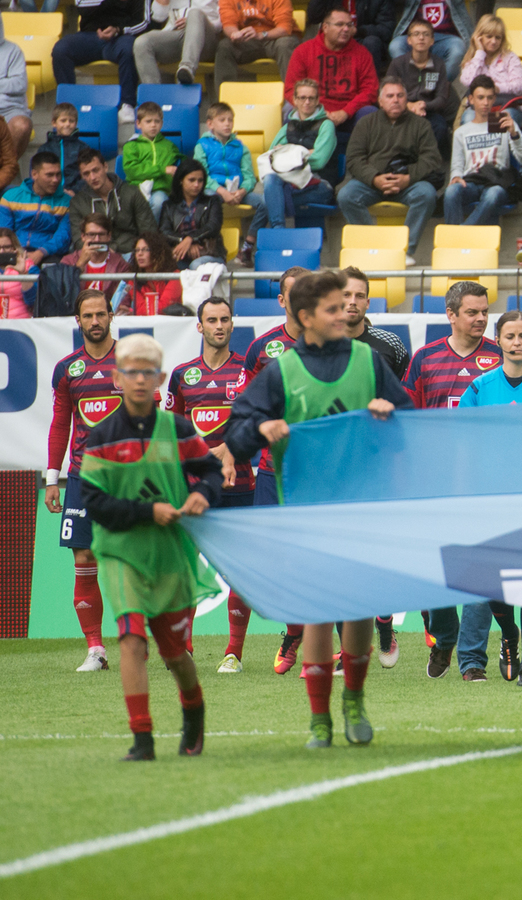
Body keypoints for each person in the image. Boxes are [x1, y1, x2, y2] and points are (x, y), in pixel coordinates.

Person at [226, 269, 412, 748]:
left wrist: (390, 416)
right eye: (332, 307)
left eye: (347, 303)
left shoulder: (370, 362)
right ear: (306, 316)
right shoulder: (282, 371)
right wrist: (261, 430)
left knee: (357, 610)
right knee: (316, 612)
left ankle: (354, 700)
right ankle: (319, 719)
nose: (344, 311)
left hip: (360, 507)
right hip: (305, 510)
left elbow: (410, 424)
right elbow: (237, 433)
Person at [80, 332, 221, 761]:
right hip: (121, 553)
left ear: (160, 379)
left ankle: (193, 710)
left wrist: (203, 494)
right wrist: (148, 511)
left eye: (148, 372)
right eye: (131, 372)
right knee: (131, 640)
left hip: (169, 554)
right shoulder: (101, 437)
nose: (139, 379)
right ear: (117, 379)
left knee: (175, 654)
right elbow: (94, 502)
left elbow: (211, 471)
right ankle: (142, 738)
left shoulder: (178, 429)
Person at [455, 310, 522, 685]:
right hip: (490, 500)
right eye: (509, 336)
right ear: (498, 340)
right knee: (490, 582)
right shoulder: (479, 388)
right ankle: (504, 638)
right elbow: (463, 441)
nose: (516, 342)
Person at [404, 282, 500, 674]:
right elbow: (407, 419)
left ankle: (472, 659)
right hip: (434, 482)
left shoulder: (500, 357)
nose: (481, 319)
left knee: (480, 572)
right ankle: (444, 637)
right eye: (472, 312)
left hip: (486, 482)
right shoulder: (424, 359)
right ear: (451, 314)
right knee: (435, 572)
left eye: (485, 311)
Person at [164, 298, 256, 674]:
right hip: (195, 486)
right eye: (212, 320)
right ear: (199, 326)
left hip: (241, 483)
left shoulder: (248, 372)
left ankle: (233, 653)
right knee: (186, 567)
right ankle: (184, 647)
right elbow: (170, 431)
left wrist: (231, 449)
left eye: (225, 319)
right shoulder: (182, 375)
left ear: (233, 324)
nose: (219, 325)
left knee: (239, 570)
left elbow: (257, 424)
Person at [237, 265, 311, 673]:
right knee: (278, 562)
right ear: (281, 300)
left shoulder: (334, 346)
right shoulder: (262, 349)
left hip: (319, 472)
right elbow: (247, 407)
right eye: (293, 293)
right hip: (272, 471)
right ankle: (295, 631)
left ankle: (319, 646)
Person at [43, 290, 121, 672]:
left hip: (127, 477)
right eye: (87, 316)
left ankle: (159, 642)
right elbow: (60, 424)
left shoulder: (131, 361)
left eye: (100, 314)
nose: (95, 321)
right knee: (84, 558)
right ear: (78, 321)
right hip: (81, 478)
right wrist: (52, 479)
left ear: (111, 315)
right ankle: (96, 649)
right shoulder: (67, 369)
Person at [339, 78, 444, 265]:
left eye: (400, 95)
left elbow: (431, 159)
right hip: (372, 184)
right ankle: (374, 248)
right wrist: (374, 178)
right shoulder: (365, 123)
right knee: (346, 195)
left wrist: (408, 178)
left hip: (408, 184)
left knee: (427, 194)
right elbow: (354, 158)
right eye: (390, 96)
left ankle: (404, 251)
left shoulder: (421, 125)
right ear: (380, 101)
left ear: (406, 99)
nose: (395, 100)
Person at [251, 80, 339, 236]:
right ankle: (279, 231)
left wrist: (287, 153)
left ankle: (260, 238)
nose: (307, 102)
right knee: (271, 180)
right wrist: (304, 153)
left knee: (268, 200)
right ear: (295, 100)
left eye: (311, 98)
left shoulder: (326, 125)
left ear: (317, 100)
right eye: (302, 97)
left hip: (319, 185)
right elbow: (273, 160)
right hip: (289, 184)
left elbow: (319, 161)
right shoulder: (288, 127)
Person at [285, 7, 379, 149]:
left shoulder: (362, 53)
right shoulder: (303, 51)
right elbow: (291, 89)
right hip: (313, 111)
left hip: (349, 114)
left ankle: (363, 159)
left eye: (349, 25)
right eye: (340, 24)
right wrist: (319, 112)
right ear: (325, 27)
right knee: (291, 113)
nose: (346, 29)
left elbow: (370, 90)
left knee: (370, 113)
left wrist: (345, 112)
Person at [446, 74, 522, 228]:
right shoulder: (462, 131)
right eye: (480, 98)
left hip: (497, 181)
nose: (485, 102)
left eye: (489, 97)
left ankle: (461, 233)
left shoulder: (503, 123)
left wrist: (514, 134)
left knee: (493, 194)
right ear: (471, 99)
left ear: (494, 99)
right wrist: (456, 177)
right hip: (472, 181)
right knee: (451, 192)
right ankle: (457, 235)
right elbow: (457, 166)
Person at [52, 0, 150, 124]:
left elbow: (143, 22)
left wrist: (119, 30)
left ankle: (127, 104)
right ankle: (67, 106)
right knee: (61, 50)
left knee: (129, 49)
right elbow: (82, 6)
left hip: (121, 35)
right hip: (89, 36)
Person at [193, 103, 265, 267]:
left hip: (237, 191)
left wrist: (242, 191)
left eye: (230, 120)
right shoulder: (202, 145)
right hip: (214, 190)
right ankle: (212, 247)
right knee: (208, 200)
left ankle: (247, 248)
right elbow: (201, 175)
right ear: (210, 124)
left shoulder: (240, 147)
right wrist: (222, 192)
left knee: (265, 202)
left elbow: (249, 176)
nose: (227, 124)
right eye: (222, 120)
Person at [388, 21, 459, 158]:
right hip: (401, 111)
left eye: (426, 34)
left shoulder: (439, 64)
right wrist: (408, 105)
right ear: (409, 40)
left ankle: (426, 160)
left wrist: (424, 105)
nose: (421, 38)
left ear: (432, 41)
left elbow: (442, 97)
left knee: (440, 126)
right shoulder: (398, 63)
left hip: (428, 112)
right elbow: (387, 93)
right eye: (416, 34)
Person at [70, 150, 157, 256]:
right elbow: (79, 241)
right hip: (96, 255)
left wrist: (114, 248)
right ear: (81, 176)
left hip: (130, 252)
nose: (92, 177)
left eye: (96, 170)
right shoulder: (77, 202)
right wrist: (103, 251)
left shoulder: (131, 193)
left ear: (105, 167)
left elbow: (149, 233)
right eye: (86, 174)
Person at [2, 152, 72, 266]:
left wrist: (41, 253)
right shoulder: (10, 197)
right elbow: (4, 232)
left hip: (49, 255)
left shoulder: (67, 202)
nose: (55, 180)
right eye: (49, 175)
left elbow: (63, 236)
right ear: (34, 174)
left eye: (58, 174)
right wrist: (19, 253)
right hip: (13, 252)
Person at [458, 14, 522, 128]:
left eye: (498, 37)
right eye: (489, 36)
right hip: (478, 108)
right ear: (479, 37)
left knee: (501, 121)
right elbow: (467, 81)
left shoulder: (510, 58)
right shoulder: (473, 58)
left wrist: (497, 88)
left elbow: (520, 86)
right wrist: (480, 53)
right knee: (468, 119)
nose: (493, 41)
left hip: (506, 106)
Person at [135, 0, 221, 87]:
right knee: (142, 43)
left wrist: (194, 22)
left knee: (195, 13)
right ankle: (152, 92)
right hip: (176, 33)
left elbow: (223, 20)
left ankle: (187, 69)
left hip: (206, 36)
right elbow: (158, 16)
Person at [343, 267, 410, 379]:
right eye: (346, 295)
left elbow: (407, 388)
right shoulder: (319, 344)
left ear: (367, 303)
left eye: (360, 296)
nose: (353, 302)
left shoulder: (392, 343)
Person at [157, 159, 225, 270]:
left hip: (209, 253)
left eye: (200, 180)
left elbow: (213, 226)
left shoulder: (213, 201)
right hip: (181, 255)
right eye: (191, 180)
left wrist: (190, 239)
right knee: (164, 265)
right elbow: (164, 232)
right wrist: (184, 242)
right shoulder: (169, 206)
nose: (196, 185)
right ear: (181, 180)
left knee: (196, 265)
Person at [215, 0, 298, 85]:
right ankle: (225, 92)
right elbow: (228, 25)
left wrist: (261, 35)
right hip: (248, 40)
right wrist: (235, 34)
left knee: (285, 44)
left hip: (276, 38)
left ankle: (293, 91)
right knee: (225, 46)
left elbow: (284, 29)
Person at [388, 0, 472, 83]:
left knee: (457, 50)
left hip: (445, 38)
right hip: (418, 35)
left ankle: (438, 85)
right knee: (396, 46)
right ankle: (413, 83)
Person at [122, 104, 181, 218]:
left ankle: (152, 229)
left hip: (160, 190)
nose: (153, 125)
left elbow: (181, 166)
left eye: (157, 121)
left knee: (159, 202)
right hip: (136, 188)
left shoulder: (170, 146)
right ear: (138, 124)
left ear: (162, 124)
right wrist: (162, 170)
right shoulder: (131, 146)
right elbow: (131, 170)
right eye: (148, 121)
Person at [306, 0, 393, 71]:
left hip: (361, 39)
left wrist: (358, 31)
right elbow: (313, 18)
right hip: (333, 39)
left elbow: (386, 30)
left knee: (372, 42)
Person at [63, 214, 132, 295]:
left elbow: (125, 297)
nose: (97, 240)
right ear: (83, 236)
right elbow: (62, 291)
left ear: (109, 236)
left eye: (101, 234)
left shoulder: (121, 265)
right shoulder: (68, 261)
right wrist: (80, 264)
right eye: (92, 234)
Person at [118, 232, 184, 315]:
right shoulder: (134, 280)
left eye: (145, 249)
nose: (139, 254)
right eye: (137, 250)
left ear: (158, 252)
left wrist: (133, 312)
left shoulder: (174, 276)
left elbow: (164, 308)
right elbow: (140, 308)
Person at [41, 105, 88, 198]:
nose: (67, 124)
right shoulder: (45, 149)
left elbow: (87, 174)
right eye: (63, 121)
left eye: (71, 121)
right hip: (50, 195)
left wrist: (74, 191)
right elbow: (38, 173)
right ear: (54, 123)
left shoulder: (83, 148)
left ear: (76, 123)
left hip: (75, 195)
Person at [0, 17, 30, 163]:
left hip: (9, 108)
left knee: (22, 125)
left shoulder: (13, 50)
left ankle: (6, 169)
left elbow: (20, 84)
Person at [0, 228, 35, 319]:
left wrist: (23, 273)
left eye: (6, 247)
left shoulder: (27, 265)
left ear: (14, 247)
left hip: (20, 322)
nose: (2, 251)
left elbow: (33, 301)